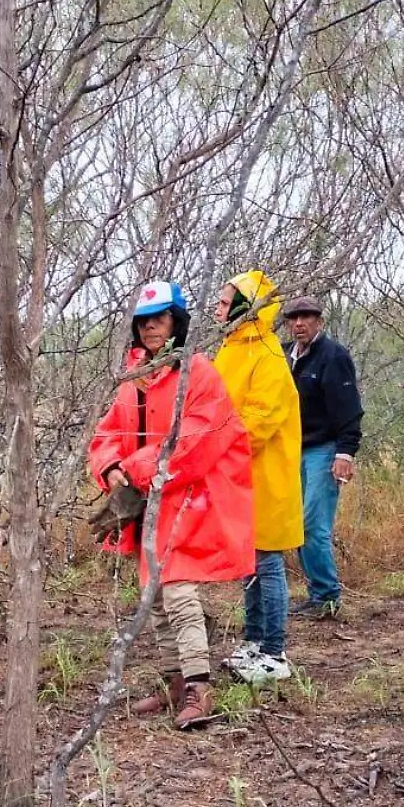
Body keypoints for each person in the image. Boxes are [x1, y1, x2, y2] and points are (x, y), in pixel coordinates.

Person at [88, 281, 255, 729]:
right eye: (143, 321)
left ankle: (200, 688)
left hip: (187, 502)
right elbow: (106, 435)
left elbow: (199, 439)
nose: (150, 328)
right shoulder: (134, 376)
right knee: (156, 596)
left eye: (159, 319)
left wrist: (136, 467)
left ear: (176, 321)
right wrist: (110, 470)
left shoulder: (197, 372)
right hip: (147, 506)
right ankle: (174, 683)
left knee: (179, 592)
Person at [211, 270, 300, 683]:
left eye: (226, 301)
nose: (218, 307)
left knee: (266, 562)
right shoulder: (231, 349)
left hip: (263, 477)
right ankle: (253, 642)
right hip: (235, 476)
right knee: (249, 562)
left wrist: (214, 444)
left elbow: (259, 422)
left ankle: (274, 653)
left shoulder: (266, 354)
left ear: (247, 307)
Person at [282, 295, 362, 619]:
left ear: (319, 321)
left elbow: (349, 409)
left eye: (306, 317)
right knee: (295, 525)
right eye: (293, 318)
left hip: (325, 449)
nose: (299, 323)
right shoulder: (286, 357)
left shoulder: (334, 356)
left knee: (314, 523)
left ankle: (327, 597)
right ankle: (317, 594)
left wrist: (346, 452)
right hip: (292, 450)